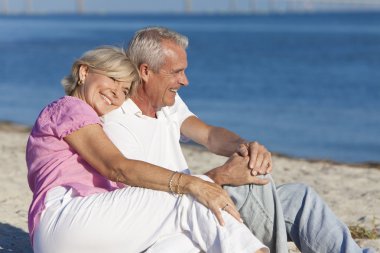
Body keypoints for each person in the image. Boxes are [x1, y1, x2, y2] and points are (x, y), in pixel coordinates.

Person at [102, 27, 375, 253]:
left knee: (299, 197)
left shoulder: (165, 103)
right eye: (176, 72)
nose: (185, 81)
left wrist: (245, 147)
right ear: (146, 71)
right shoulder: (117, 122)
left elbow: (209, 135)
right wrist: (219, 177)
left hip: (203, 199)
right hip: (181, 220)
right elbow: (142, 204)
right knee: (249, 187)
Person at [26, 46, 269, 253]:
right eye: (112, 78)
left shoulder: (93, 123)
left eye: (124, 90)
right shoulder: (69, 108)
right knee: (190, 196)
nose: (116, 93)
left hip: (84, 229)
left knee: (184, 241)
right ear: (84, 72)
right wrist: (193, 182)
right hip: (64, 218)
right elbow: (117, 168)